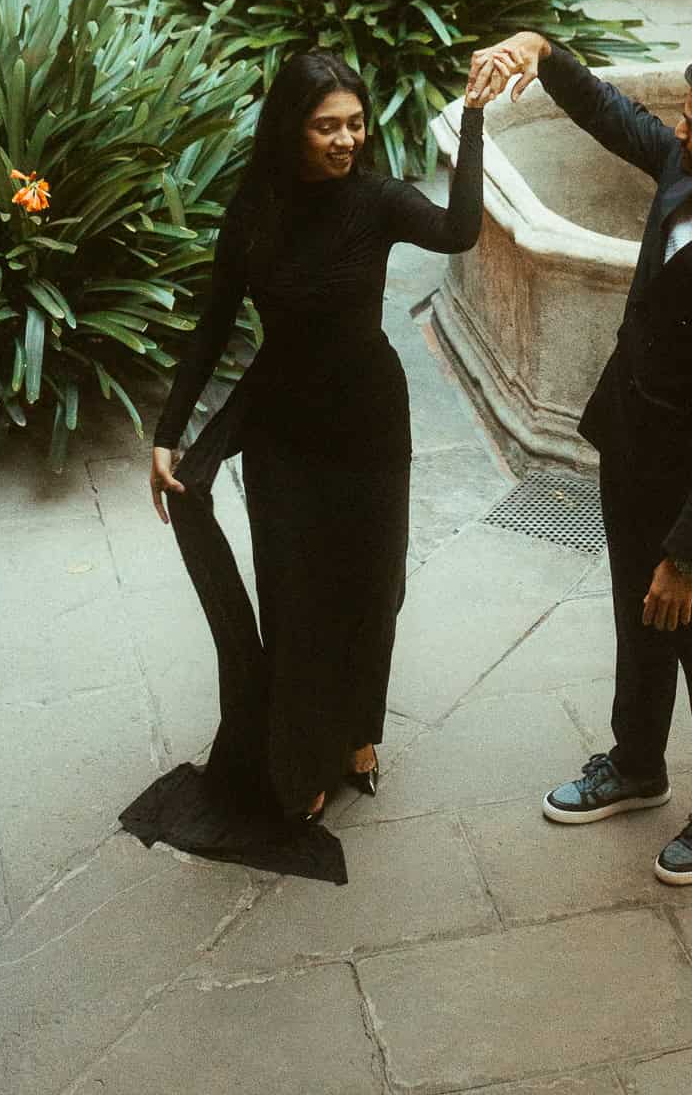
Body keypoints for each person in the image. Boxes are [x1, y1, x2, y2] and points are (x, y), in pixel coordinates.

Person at [467, 34, 692, 886]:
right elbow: (610, 116)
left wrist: (691, 547)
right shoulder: (685, 171)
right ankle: (636, 764)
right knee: (636, 612)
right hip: (629, 440)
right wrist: (540, 52)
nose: (676, 130)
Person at [126, 49, 488, 878]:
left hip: (367, 422)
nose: (345, 140)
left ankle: (358, 732)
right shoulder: (254, 210)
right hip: (283, 427)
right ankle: (300, 761)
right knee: (295, 595)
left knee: (372, 587)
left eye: (355, 124)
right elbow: (214, 323)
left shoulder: (378, 200)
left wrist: (469, 120)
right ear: (291, 128)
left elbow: (457, 230)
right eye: (327, 125)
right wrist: (168, 430)